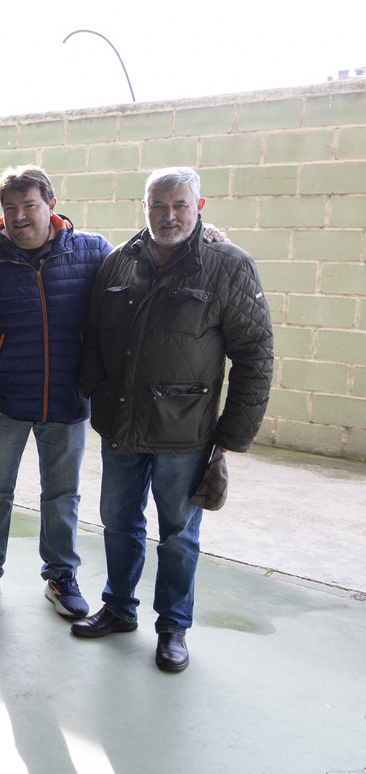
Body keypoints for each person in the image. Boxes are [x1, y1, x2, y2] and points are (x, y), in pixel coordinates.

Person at [73, 166, 273, 673]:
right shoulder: (119, 263)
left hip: (185, 433)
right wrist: (97, 390)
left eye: (180, 205)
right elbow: (92, 336)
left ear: (199, 207)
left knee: (178, 534)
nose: (169, 215)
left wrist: (232, 435)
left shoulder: (227, 266)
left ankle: (173, 627)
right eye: (158, 205)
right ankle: (118, 607)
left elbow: (255, 356)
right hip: (120, 425)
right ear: (143, 206)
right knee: (118, 523)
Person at [0, 165, 111, 616]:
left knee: (62, 495)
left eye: (29, 205)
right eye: (10, 208)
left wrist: (205, 233)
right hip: (1, 403)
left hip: (67, 400)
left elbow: (142, 264)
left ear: (51, 206)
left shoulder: (92, 252)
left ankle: (61, 576)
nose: (19, 216)